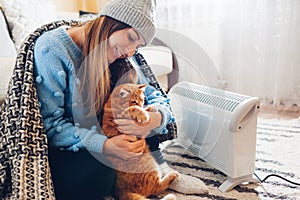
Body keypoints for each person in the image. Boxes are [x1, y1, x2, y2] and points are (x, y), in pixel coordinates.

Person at [33, 0, 208, 199]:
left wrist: (156, 118)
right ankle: (143, 178)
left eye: (138, 45)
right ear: (110, 22)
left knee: (140, 120)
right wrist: (105, 144)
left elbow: (154, 96)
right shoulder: (52, 48)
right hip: (75, 142)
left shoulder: (122, 54)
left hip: (112, 130)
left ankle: (160, 175)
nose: (130, 51)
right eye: (131, 37)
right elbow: (50, 125)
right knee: (97, 178)